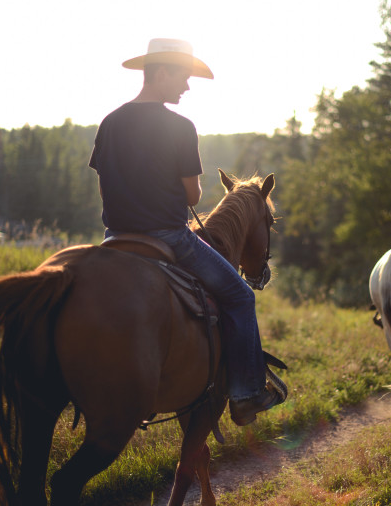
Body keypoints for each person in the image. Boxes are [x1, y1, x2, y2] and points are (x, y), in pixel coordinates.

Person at [88, 38, 282, 426]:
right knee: (242, 296)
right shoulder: (180, 126)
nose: (187, 87)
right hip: (170, 237)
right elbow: (193, 193)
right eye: (183, 77)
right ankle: (246, 393)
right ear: (161, 73)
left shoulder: (110, 121)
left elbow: (104, 183)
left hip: (115, 238)